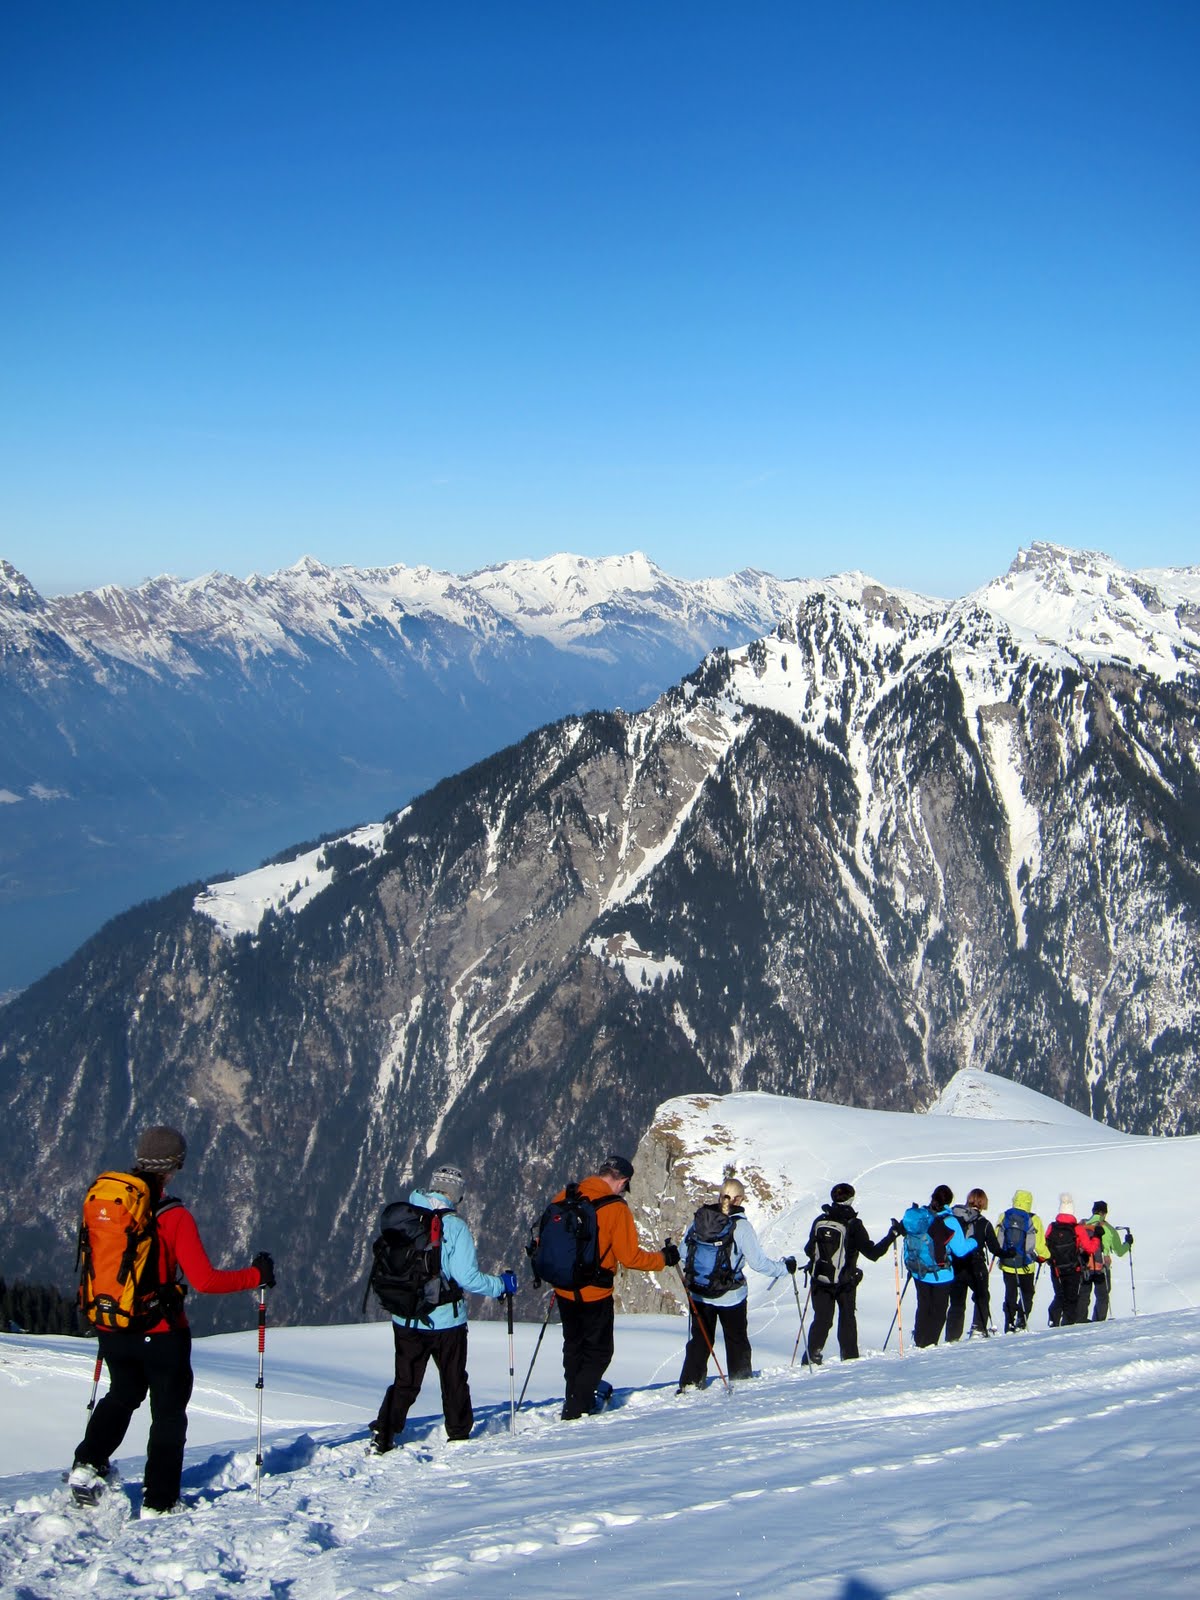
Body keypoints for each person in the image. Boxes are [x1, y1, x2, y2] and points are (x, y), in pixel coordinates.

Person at [68, 1127, 273, 1518]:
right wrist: (255, 1275)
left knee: (122, 1394)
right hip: (161, 1332)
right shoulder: (173, 1216)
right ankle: (160, 1501)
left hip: (112, 1324)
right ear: (175, 1165)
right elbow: (206, 1280)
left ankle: (88, 1465)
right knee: (167, 1412)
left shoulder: (110, 1203)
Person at [370, 1164, 516, 1452]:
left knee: (406, 1381)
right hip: (446, 1321)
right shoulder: (454, 1226)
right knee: (453, 1379)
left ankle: (384, 1433)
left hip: (406, 1317)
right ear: (456, 1195)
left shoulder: (404, 1217)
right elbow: (467, 1278)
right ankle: (459, 1434)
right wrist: (502, 1285)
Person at [553, 1154, 674, 1419]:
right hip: (595, 1292)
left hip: (563, 1289)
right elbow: (630, 1257)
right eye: (625, 1185)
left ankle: (573, 1395)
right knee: (599, 1352)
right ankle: (577, 1407)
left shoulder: (565, 1195)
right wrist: (663, 1259)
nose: (624, 1190)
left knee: (573, 1346)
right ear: (621, 1180)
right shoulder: (615, 1209)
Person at [677, 1177, 794, 1389]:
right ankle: (740, 1382)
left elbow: (683, 1253)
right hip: (731, 1296)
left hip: (700, 1293)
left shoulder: (700, 1220)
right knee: (736, 1339)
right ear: (739, 1199)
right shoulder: (741, 1226)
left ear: (720, 1195)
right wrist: (785, 1268)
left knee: (700, 1340)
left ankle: (690, 1384)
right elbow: (759, 1264)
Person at [801, 1183, 897, 1365]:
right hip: (845, 1281)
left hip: (820, 1279)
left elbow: (809, 1250)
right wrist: (892, 1235)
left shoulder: (821, 1219)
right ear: (851, 1199)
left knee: (821, 1320)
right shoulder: (853, 1224)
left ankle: (810, 1359)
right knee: (847, 1319)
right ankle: (850, 1358)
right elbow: (873, 1253)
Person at [902, 1184, 977, 1348]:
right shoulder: (950, 1221)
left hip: (919, 1271)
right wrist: (974, 1241)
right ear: (949, 1202)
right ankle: (930, 1344)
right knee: (938, 1311)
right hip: (941, 1273)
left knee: (923, 1306)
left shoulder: (921, 1216)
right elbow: (960, 1250)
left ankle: (919, 1341)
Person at [945, 1188, 1010, 1341]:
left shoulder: (955, 1218)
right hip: (976, 1265)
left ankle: (952, 1336)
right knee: (982, 1296)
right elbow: (995, 1248)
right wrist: (1008, 1254)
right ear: (983, 1203)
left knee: (957, 1302)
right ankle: (978, 1328)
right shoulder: (984, 1224)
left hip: (956, 1265)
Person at [996, 1188, 1049, 1332]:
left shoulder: (1004, 1216)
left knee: (1010, 1293)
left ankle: (1009, 1322)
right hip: (1026, 1265)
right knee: (1027, 1293)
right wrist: (1045, 1255)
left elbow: (997, 1238)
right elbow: (1039, 1244)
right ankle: (1021, 1320)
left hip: (1007, 1264)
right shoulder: (1034, 1219)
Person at [1045, 1193, 1101, 1327]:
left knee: (1059, 1296)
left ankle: (1053, 1321)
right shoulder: (1077, 1228)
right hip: (1073, 1269)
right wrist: (1097, 1236)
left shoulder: (1051, 1227)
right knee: (1071, 1299)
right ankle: (1068, 1326)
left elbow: (1045, 1245)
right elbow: (1090, 1249)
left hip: (1056, 1269)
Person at [1079, 1201, 1133, 1322]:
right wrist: (1128, 1243)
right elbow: (1119, 1251)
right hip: (1101, 1267)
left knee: (1083, 1296)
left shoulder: (1082, 1225)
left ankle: (1080, 1321)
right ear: (1104, 1213)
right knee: (1102, 1297)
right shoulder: (1108, 1228)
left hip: (1084, 1266)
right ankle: (1098, 1321)